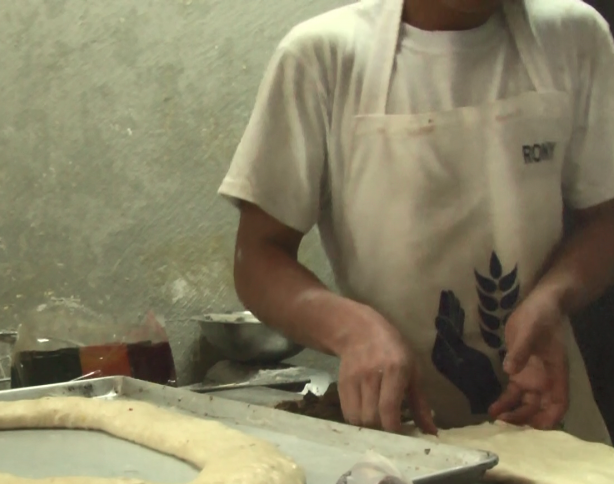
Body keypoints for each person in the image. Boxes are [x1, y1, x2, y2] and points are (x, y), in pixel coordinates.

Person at [219, 0, 614, 444]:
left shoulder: (576, 36)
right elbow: (257, 255)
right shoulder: (323, 57)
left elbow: (603, 220)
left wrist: (552, 299)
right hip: (402, 434)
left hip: (552, 424)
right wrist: (351, 329)